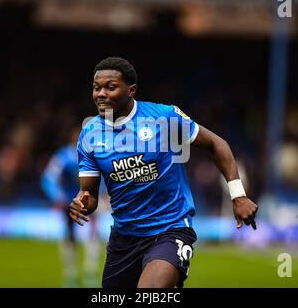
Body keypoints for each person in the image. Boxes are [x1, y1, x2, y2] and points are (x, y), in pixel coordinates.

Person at [69, 57, 258, 288]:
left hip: (170, 229)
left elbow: (216, 144)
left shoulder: (164, 117)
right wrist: (81, 202)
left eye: (110, 87)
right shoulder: (89, 134)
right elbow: (89, 195)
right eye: (96, 88)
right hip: (124, 238)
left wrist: (238, 194)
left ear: (131, 90)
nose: (101, 94)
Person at [41, 128, 101, 287]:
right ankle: (72, 274)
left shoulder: (92, 154)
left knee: (93, 234)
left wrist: (103, 195)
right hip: (70, 202)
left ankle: (89, 271)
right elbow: (48, 178)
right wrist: (57, 196)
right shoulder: (64, 156)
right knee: (71, 236)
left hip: (89, 201)